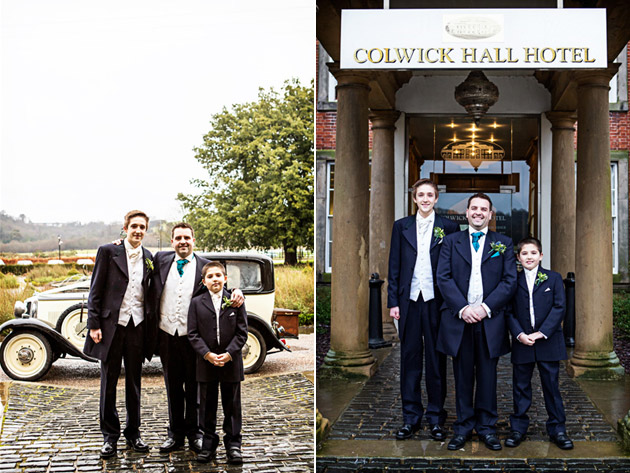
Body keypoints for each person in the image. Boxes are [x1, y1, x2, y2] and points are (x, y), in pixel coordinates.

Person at [152, 223, 244, 454]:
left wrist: (237, 291)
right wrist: (118, 244)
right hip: (167, 334)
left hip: (194, 338)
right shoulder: (160, 261)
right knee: (172, 387)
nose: (183, 241)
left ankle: (196, 434)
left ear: (194, 240)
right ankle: (175, 434)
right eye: (178, 238)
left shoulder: (204, 265)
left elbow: (219, 284)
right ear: (172, 241)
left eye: (187, 238)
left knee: (195, 389)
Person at [436, 193, 517, 451]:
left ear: (491, 214)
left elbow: (509, 281)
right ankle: (462, 427)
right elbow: (444, 278)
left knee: (488, 376)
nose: (479, 212)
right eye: (474, 208)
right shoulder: (450, 242)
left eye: (484, 209)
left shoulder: (503, 243)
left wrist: (484, 308)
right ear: (467, 212)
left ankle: (486, 427)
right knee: (461, 376)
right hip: (459, 320)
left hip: (489, 320)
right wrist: (462, 308)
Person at [387, 178, 459, 441]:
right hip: (409, 302)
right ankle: (411, 418)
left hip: (437, 303)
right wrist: (393, 301)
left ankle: (436, 418)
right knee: (410, 360)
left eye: (430, 195)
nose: (426, 199)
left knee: (437, 362)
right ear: (414, 198)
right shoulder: (401, 226)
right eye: (421, 195)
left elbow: (454, 268)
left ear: (436, 199)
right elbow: (394, 265)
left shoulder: (449, 227)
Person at [84, 210, 156, 458]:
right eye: (134, 226)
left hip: (137, 327)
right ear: (125, 228)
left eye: (142, 227)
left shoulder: (149, 257)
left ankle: (133, 433)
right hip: (110, 328)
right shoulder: (108, 251)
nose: (138, 231)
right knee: (109, 382)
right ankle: (109, 436)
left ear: (146, 231)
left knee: (134, 382)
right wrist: (94, 325)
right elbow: (95, 290)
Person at [504, 237, 573, 450]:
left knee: (551, 386)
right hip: (522, 341)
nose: (529, 257)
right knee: (521, 386)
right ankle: (518, 428)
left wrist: (542, 333)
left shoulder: (553, 278)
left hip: (548, 341)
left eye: (533, 253)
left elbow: (559, 307)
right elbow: (509, 312)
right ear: (518, 257)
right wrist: (519, 334)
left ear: (541, 256)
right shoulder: (513, 281)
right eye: (524, 253)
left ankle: (557, 428)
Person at [188, 261, 248, 464]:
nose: (215, 279)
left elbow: (242, 332)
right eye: (210, 277)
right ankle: (208, 444)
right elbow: (193, 333)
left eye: (218, 276)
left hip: (231, 362)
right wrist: (207, 354)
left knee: (232, 405)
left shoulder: (235, 301)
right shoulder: (196, 303)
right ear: (204, 282)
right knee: (207, 405)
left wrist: (230, 353)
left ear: (225, 279)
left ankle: (233, 445)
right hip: (206, 362)